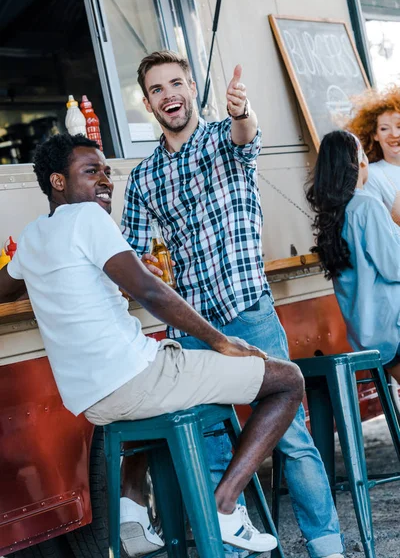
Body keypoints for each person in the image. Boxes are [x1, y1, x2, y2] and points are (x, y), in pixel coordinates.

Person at [0, 133, 305, 556]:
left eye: (107, 171)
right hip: (136, 379)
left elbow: (4, 287)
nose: (105, 180)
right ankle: (224, 505)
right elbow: (151, 291)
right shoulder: (87, 218)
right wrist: (222, 341)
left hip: (96, 403)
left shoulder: (33, 237)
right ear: (57, 181)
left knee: (167, 371)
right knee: (287, 380)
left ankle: (133, 511)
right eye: (92, 172)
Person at [121, 50, 344, 558]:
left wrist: (242, 110)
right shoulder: (143, 177)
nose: (168, 95)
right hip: (195, 330)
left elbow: (246, 133)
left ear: (192, 86)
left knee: (291, 437)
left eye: (176, 83)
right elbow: (130, 253)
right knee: (215, 450)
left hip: (249, 313)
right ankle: (239, 550)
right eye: (157, 89)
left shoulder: (224, 137)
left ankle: (327, 548)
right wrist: (148, 269)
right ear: (148, 102)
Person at [306, 129, 400, 383]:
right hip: (393, 327)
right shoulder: (367, 205)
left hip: (367, 335)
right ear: (360, 162)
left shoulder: (334, 215)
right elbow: (395, 267)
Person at [346, 85, 400, 224]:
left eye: (399, 127)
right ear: (375, 134)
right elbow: (377, 227)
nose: (394, 134)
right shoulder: (372, 174)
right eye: (384, 128)